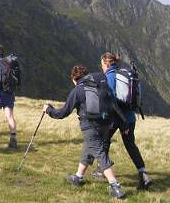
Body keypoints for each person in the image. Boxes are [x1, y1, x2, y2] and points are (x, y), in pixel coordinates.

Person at [43, 65, 125, 199]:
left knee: (99, 152)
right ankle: (78, 177)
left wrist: (48, 110)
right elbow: (112, 102)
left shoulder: (78, 90)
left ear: (74, 78)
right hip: (105, 124)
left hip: (90, 127)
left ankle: (115, 187)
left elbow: (62, 113)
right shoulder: (100, 83)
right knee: (88, 149)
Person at [92, 53, 152, 190]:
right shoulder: (127, 76)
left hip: (117, 118)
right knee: (130, 145)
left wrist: (119, 121)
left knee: (103, 140)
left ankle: (102, 169)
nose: (101, 67)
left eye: (102, 64)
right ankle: (143, 173)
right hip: (130, 118)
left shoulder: (110, 77)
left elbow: (112, 102)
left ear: (107, 64)